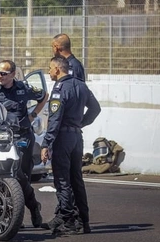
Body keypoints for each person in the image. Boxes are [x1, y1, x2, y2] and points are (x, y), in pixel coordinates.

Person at [41, 56, 101, 235]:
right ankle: (84, 221)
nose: (49, 72)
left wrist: (46, 143)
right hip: (77, 138)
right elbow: (95, 108)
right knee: (77, 180)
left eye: (50, 68)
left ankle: (69, 222)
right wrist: (80, 123)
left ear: (58, 69)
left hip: (63, 139)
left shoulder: (59, 89)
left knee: (62, 181)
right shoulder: (81, 85)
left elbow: (55, 119)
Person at [0, 59, 49, 228]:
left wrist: (33, 116)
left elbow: (43, 96)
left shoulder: (23, 88)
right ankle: (9, 217)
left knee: (20, 176)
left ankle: (33, 208)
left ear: (13, 74)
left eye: (3, 74)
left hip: (21, 137)